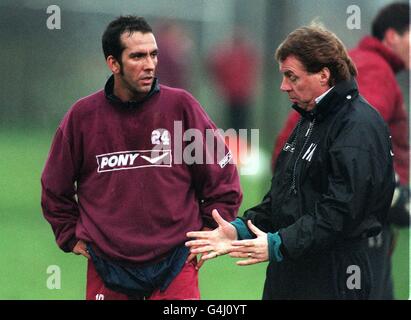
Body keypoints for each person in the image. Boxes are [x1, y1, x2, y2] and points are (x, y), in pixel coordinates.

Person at [186, 24, 395, 299]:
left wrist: (279, 243)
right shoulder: (309, 120)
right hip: (290, 271)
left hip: (336, 277)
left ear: (323, 75)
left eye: (291, 76)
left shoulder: (358, 126)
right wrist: (239, 230)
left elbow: (341, 212)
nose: (283, 86)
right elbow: (282, 201)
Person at [41, 16, 242, 300]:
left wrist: (210, 231)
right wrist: (69, 235)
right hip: (106, 265)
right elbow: (54, 187)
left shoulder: (182, 107)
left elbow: (222, 178)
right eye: (137, 56)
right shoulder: (82, 117)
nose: (149, 64)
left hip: (175, 263)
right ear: (113, 63)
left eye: (153, 54)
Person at [271, 2, 410, 299]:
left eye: (291, 77)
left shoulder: (364, 67)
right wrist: (396, 198)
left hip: (315, 217)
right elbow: (352, 142)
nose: (285, 87)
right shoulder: (375, 71)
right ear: (392, 37)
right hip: (333, 227)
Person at [207, 28, 260, 131]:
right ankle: (239, 143)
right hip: (240, 94)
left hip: (233, 94)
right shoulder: (246, 54)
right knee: (241, 124)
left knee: (233, 123)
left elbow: (214, 66)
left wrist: (220, 85)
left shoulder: (228, 54)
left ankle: (234, 143)